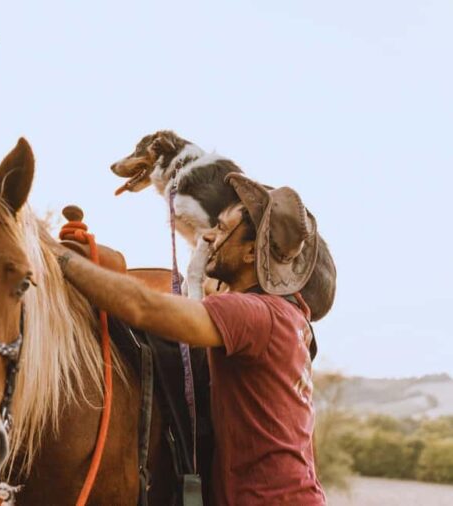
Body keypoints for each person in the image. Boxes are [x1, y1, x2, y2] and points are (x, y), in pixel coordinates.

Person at [54, 173, 327, 505]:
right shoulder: (290, 314)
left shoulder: (252, 315)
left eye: (224, 229)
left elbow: (143, 309)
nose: (209, 236)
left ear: (251, 252)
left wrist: (59, 259)